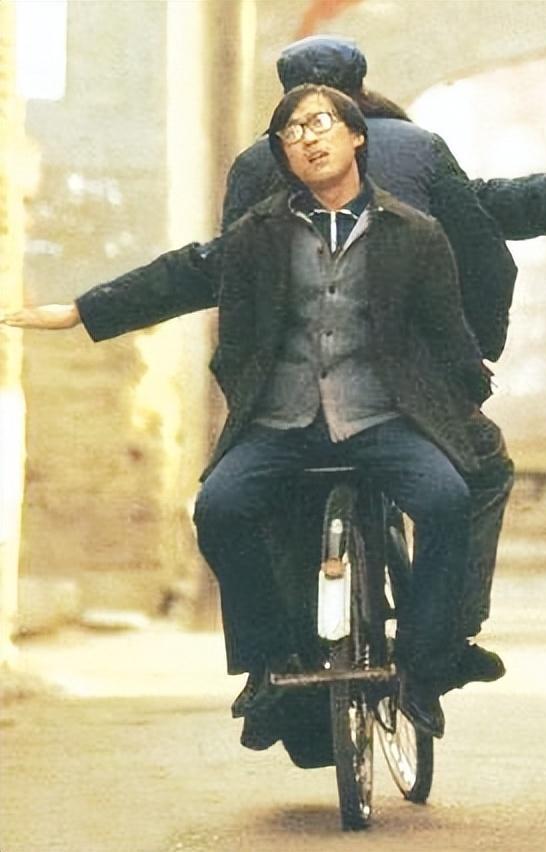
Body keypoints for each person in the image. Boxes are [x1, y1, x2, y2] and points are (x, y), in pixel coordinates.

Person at [220, 34, 546, 686]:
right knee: (481, 471)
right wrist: (472, 359)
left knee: (258, 500)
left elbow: (226, 280)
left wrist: (246, 384)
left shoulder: (256, 164)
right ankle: (448, 638)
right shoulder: (416, 148)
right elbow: (491, 239)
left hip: (288, 394)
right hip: (402, 389)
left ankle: (267, 673)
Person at [3, 85, 501, 743]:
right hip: (283, 423)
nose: (307, 138)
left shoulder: (415, 233)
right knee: (219, 508)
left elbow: (446, 334)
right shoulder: (257, 234)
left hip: (382, 420)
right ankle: (268, 661)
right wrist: (81, 311)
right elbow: (185, 275)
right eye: (291, 132)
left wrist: (462, 401)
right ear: (282, 155)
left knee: (446, 500)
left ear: (356, 135)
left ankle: (423, 667)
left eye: (320, 123)